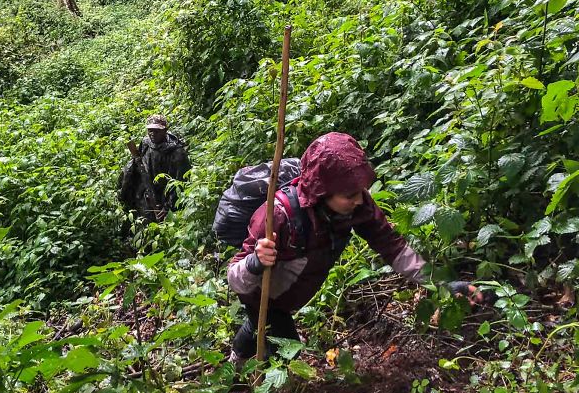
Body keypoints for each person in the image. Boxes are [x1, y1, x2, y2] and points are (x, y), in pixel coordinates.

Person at [227, 132, 487, 361]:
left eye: (361, 191)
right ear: (321, 193)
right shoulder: (278, 215)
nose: (360, 199)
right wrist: (255, 262)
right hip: (262, 295)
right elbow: (236, 279)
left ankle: (237, 358)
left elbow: (392, 247)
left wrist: (441, 284)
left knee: (258, 326)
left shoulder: (356, 203)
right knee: (288, 353)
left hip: (292, 292)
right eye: (350, 195)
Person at [118, 114, 190, 224]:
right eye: (150, 130)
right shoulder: (146, 143)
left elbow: (181, 182)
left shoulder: (177, 153)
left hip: (165, 196)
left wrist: (168, 207)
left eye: (157, 131)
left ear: (165, 130)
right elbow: (139, 162)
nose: (152, 134)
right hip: (146, 193)